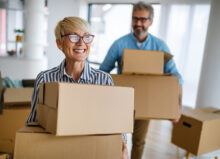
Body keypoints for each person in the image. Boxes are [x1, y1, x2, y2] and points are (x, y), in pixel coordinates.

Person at [26, 16, 129, 159]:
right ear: (59, 43)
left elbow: (115, 123)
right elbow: (33, 121)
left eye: (86, 37)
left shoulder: (104, 80)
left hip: (93, 152)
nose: (81, 43)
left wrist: (122, 146)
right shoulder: (45, 79)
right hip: (56, 152)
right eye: (74, 37)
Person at [100, 2, 183, 159]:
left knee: (139, 141)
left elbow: (176, 77)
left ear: (151, 21)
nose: (138, 23)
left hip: (146, 103)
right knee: (117, 140)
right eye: (135, 19)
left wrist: (177, 106)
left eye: (143, 20)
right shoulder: (119, 44)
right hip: (121, 101)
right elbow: (103, 71)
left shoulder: (159, 46)